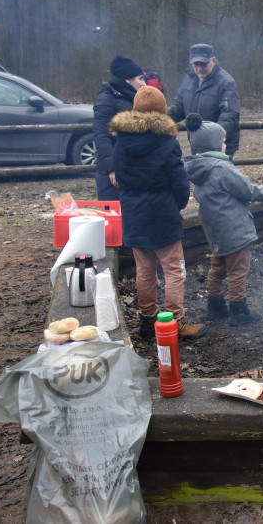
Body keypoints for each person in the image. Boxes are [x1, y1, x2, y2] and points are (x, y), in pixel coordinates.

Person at [109, 86, 205, 339]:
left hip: (134, 214)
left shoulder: (121, 143)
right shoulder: (167, 143)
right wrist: (179, 204)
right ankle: (176, 321)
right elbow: (179, 182)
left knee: (144, 270)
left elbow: (119, 177)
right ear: (163, 110)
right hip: (162, 213)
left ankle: (148, 320)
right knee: (174, 270)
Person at [183, 114, 263, 326]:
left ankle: (215, 306)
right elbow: (247, 190)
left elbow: (219, 194)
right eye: (222, 141)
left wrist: (237, 200)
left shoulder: (200, 168)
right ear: (213, 145)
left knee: (218, 266)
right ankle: (239, 311)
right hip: (233, 228)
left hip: (215, 229)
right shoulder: (222, 168)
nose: (225, 145)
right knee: (239, 269)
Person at [167, 44, 241, 158]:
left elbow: (229, 115)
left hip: (220, 147)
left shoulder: (226, 83)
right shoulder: (189, 80)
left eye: (203, 64)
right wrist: (160, 117)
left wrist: (212, 139)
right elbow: (179, 108)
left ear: (213, 60)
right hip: (198, 145)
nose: (199, 68)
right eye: (195, 64)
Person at [93, 55, 146, 201]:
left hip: (131, 168)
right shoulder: (106, 100)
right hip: (114, 173)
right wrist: (112, 168)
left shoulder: (132, 97)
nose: (144, 83)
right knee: (116, 217)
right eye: (140, 79)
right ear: (127, 80)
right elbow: (101, 136)